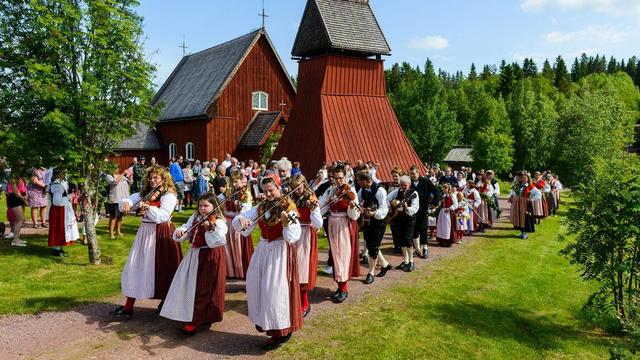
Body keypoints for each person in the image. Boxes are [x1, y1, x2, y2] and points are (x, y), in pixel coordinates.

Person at [232, 174, 302, 350]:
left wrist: (286, 225)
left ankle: (281, 330)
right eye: (265, 191)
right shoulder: (262, 206)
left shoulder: (289, 207)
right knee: (259, 286)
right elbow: (239, 223)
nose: (268, 194)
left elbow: (293, 237)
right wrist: (242, 220)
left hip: (280, 251)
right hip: (264, 250)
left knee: (276, 291)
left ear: (279, 187)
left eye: (271, 190)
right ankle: (270, 326)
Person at [112, 166, 183, 318]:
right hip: (145, 233)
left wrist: (148, 207)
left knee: (164, 268)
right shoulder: (144, 193)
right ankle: (128, 306)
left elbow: (163, 216)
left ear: (164, 179)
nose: (152, 180)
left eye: (156, 178)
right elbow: (130, 199)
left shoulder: (169, 195)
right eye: (150, 178)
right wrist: (125, 203)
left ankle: (165, 302)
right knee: (135, 266)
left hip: (162, 233)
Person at [161, 192, 228, 335]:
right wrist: (181, 232)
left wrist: (211, 228)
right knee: (191, 286)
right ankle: (192, 314)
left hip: (210, 255)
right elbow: (187, 228)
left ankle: (197, 320)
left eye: (206, 206)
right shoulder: (196, 217)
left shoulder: (219, 221)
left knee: (205, 288)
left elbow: (219, 240)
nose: (202, 208)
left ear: (214, 207)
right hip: (195, 254)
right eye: (200, 205)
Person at [318, 165, 360, 303]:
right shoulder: (331, 190)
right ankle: (340, 286)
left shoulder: (350, 190)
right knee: (335, 255)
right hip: (332, 222)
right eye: (336, 178)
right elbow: (321, 205)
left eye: (341, 178)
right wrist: (314, 211)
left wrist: (352, 208)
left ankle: (344, 288)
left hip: (344, 224)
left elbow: (355, 215)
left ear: (345, 177)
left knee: (343, 256)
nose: (338, 181)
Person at [290, 174, 322, 317]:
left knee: (303, 269)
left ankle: (304, 302)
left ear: (304, 184)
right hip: (292, 234)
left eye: (299, 188)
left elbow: (318, 224)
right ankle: (293, 299)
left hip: (305, 235)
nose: (296, 191)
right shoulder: (291, 198)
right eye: (294, 188)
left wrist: (313, 209)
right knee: (291, 268)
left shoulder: (312, 198)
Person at [355, 171, 390, 284]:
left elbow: (384, 209)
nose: (358, 183)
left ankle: (371, 273)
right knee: (370, 245)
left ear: (365, 181)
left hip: (379, 222)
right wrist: (358, 207)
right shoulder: (363, 189)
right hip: (367, 222)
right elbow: (358, 200)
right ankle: (385, 265)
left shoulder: (380, 190)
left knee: (373, 246)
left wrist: (374, 213)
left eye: (359, 181)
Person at [220, 170, 254, 279]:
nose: (234, 184)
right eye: (232, 182)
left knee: (238, 247)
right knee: (228, 247)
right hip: (228, 224)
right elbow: (219, 200)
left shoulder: (245, 194)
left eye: (236, 181)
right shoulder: (228, 193)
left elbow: (245, 212)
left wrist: (236, 211)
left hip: (239, 223)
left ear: (241, 181)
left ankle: (241, 271)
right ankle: (231, 271)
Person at [387, 175, 419, 272]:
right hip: (398, 218)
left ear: (409, 184)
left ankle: (411, 261)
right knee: (401, 240)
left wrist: (406, 208)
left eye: (405, 185)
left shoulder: (413, 193)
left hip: (409, 219)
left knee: (408, 240)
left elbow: (415, 208)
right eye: (401, 185)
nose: (403, 187)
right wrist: (391, 206)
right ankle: (405, 260)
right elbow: (386, 199)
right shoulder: (397, 191)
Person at [47, 168, 79, 256]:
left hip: (62, 209)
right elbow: (57, 201)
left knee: (62, 228)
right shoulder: (57, 185)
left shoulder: (59, 183)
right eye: (62, 173)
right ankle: (56, 250)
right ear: (57, 175)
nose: (64, 175)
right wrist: (68, 198)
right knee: (59, 228)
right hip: (59, 210)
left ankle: (59, 248)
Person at [409, 165, 438, 259]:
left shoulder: (425, 181)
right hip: (412, 210)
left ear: (418, 173)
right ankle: (417, 249)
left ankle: (425, 248)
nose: (412, 175)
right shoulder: (409, 183)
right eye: (411, 174)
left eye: (414, 173)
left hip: (423, 209)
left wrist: (434, 203)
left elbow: (436, 191)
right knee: (414, 229)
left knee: (423, 229)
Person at [510, 172, 541, 239]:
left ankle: (525, 233)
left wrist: (531, 199)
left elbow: (539, 194)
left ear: (528, 179)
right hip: (518, 204)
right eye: (522, 178)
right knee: (519, 217)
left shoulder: (530, 186)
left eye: (525, 178)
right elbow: (514, 192)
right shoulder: (518, 185)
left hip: (525, 204)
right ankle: (522, 232)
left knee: (525, 218)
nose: (523, 179)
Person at [105, 167, 131, 239]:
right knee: (113, 217)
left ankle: (118, 232)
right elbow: (115, 182)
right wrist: (123, 174)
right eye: (115, 168)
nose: (117, 169)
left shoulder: (121, 176)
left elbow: (130, 182)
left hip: (122, 200)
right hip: (114, 200)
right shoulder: (109, 176)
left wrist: (130, 175)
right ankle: (111, 234)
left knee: (120, 217)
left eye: (117, 168)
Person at [6, 160, 28, 247]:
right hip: (15, 198)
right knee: (20, 219)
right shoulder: (12, 177)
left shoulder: (20, 176)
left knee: (20, 219)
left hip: (20, 197)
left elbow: (24, 188)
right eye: (20, 165)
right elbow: (15, 191)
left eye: (23, 165)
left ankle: (17, 238)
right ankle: (15, 240)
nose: (22, 167)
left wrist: (25, 196)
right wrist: (24, 199)